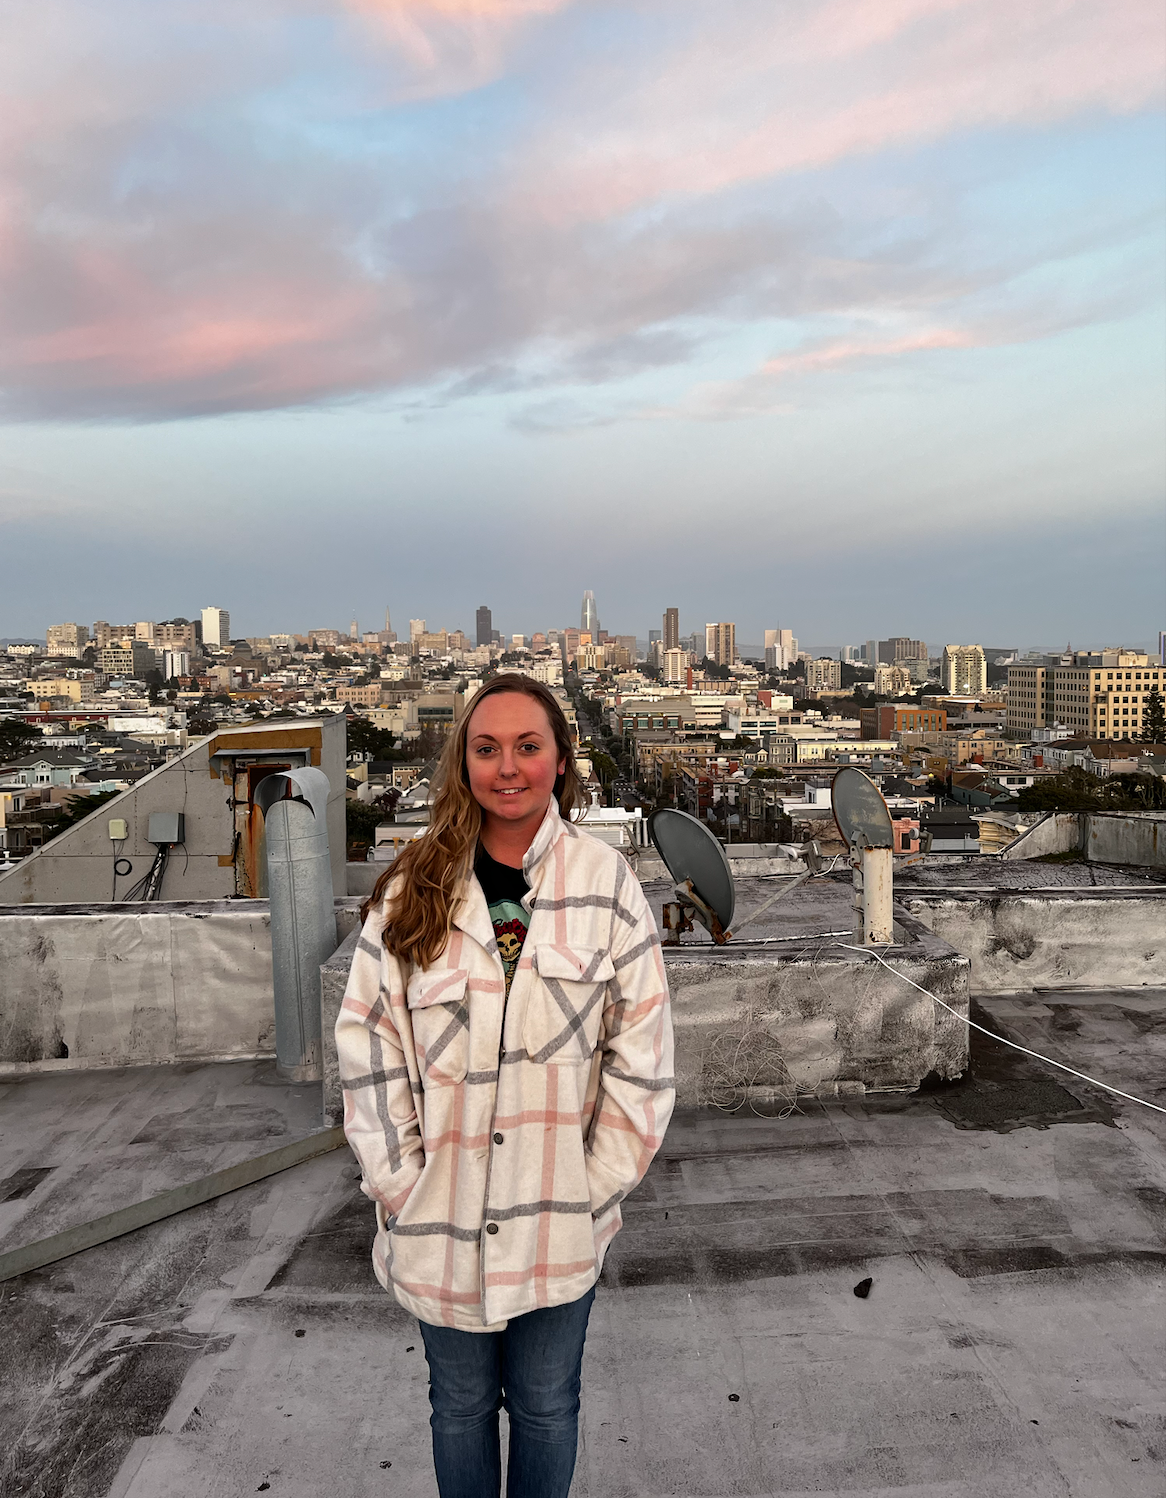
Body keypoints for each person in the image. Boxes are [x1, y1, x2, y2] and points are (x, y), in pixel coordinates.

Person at [336, 674, 675, 1498]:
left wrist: (592, 1186)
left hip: (560, 1218)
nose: (508, 767)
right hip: (439, 1216)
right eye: (487, 749)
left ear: (561, 760)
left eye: (528, 746)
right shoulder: (413, 885)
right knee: (457, 1406)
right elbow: (369, 1046)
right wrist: (402, 1186)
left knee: (547, 1406)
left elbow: (643, 1055)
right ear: (464, 763)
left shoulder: (605, 883)